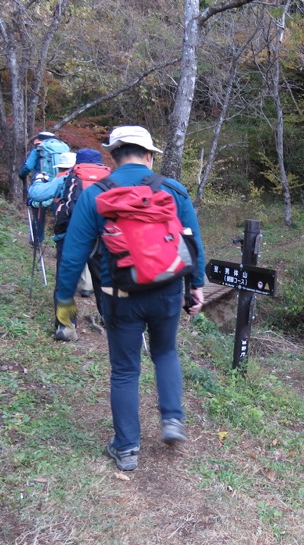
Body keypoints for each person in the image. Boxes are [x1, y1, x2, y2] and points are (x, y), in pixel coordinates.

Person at [55, 126, 206, 472]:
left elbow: (74, 255)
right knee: (165, 351)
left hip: (119, 295)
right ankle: (172, 421)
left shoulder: (97, 195)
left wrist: (65, 300)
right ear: (149, 155)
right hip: (167, 291)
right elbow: (192, 242)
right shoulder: (173, 189)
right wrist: (195, 285)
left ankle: (126, 449)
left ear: (114, 155)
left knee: (124, 370)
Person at [29, 149, 109, 340]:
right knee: (103, 281)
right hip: (104, 238)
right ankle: (110, 320)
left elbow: (37, 194)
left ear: (77, 163)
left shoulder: (67, 177)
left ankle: (66, 327)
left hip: (70, 236)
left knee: (66, 282)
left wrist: (38, 181)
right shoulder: (111, 180)